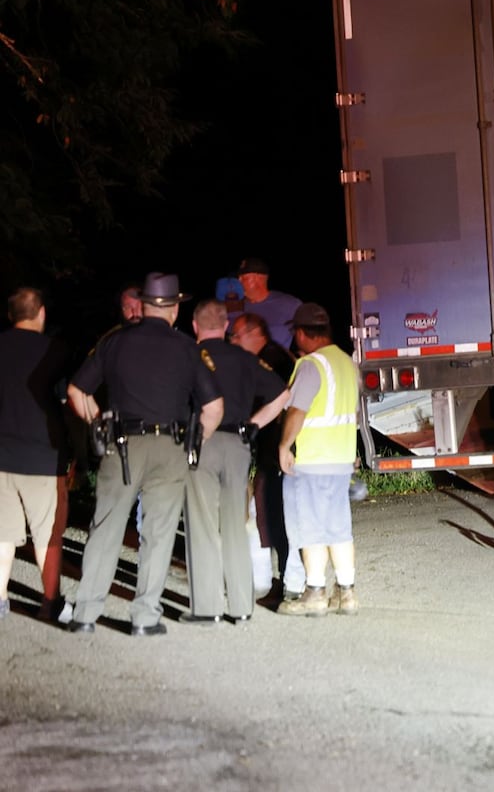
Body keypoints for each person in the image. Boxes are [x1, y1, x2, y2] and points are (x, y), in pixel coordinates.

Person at [64, 272, 224, 636]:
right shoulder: (187, 347)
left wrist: (96, 423)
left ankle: (85, 614)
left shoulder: (114, 342)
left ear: (146, 304)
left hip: (122, 444)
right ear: (174, 309)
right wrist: (195, 444)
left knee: (105, 527)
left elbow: (76, 390)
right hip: (170, 445)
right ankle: (144, 618)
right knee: (158, 532)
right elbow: (214, 407)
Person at [182, 300, 288, 624]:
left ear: (196, 327)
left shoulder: (189, 356)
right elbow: (283, 394)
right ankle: (242, 606)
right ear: (226, 326)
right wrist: (254, 424)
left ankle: (207, 607)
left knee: (201, 525)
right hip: (239, 444)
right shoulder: (246, 358)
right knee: (233, 525)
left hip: (202, 441)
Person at [277, 303, 359, 617]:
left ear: (301, 332)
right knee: (339, 528)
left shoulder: (311, 364)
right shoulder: (346, 361)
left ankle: (314, 593)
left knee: (310, 529)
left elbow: (298, 410)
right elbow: (353, 411)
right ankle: (347, 593)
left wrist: (285, 445)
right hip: (340, 458)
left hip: (312, 459)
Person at [0, 288, 72, 620]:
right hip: (43, 456)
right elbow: (65, 401)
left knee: (3, 533)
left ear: (10, 315)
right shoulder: (55, 351)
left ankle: (0, 598)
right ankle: (50, 601)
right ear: (41, 313)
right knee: (48, 532)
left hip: (2, 455)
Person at [229, 310, 302, 600]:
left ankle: (285, 582)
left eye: (236, 335)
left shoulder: (270, 360)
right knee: (268, 516)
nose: (231, 340)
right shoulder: (273, 356)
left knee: (274, 516)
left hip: (276, 452)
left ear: (255, 334)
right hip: (271, 452)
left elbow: (280, 402)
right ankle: (280, 580)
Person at [236, 257, 302, 352]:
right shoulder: (236, 307)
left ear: (259, 278)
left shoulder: (289, 305)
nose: (239, 281)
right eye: (238, 278)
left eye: (244, 278)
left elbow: (308, 335)